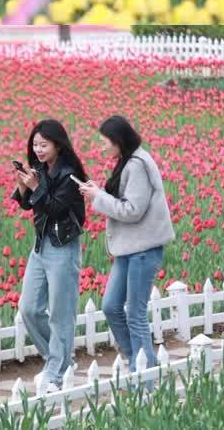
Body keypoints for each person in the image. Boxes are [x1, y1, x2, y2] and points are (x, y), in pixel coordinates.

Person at [77, 116, 175, 374]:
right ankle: (140, 363)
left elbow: (133, 210)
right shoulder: (127, 162)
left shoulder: (138, 164)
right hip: (128, 249)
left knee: (135, 313)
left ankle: (145, 378)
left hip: (143, 250)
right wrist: (99, 192)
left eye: (105, 142)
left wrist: (98, 197)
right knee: (110, 306)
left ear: (119, 141)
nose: (102, 147)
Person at [10, 119, 87, 393]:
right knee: (29, 308)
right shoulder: (39, 169)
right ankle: (62, 361)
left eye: (44, 144)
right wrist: (23, 185)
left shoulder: (70, 173)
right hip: (40, 245)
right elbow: (25, 204)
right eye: (35, 144)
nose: (38, 150)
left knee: (60, 315)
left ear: (57, 144)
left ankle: (56, 374)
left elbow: (54, 209)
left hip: (63, 247)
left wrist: (35, 188)